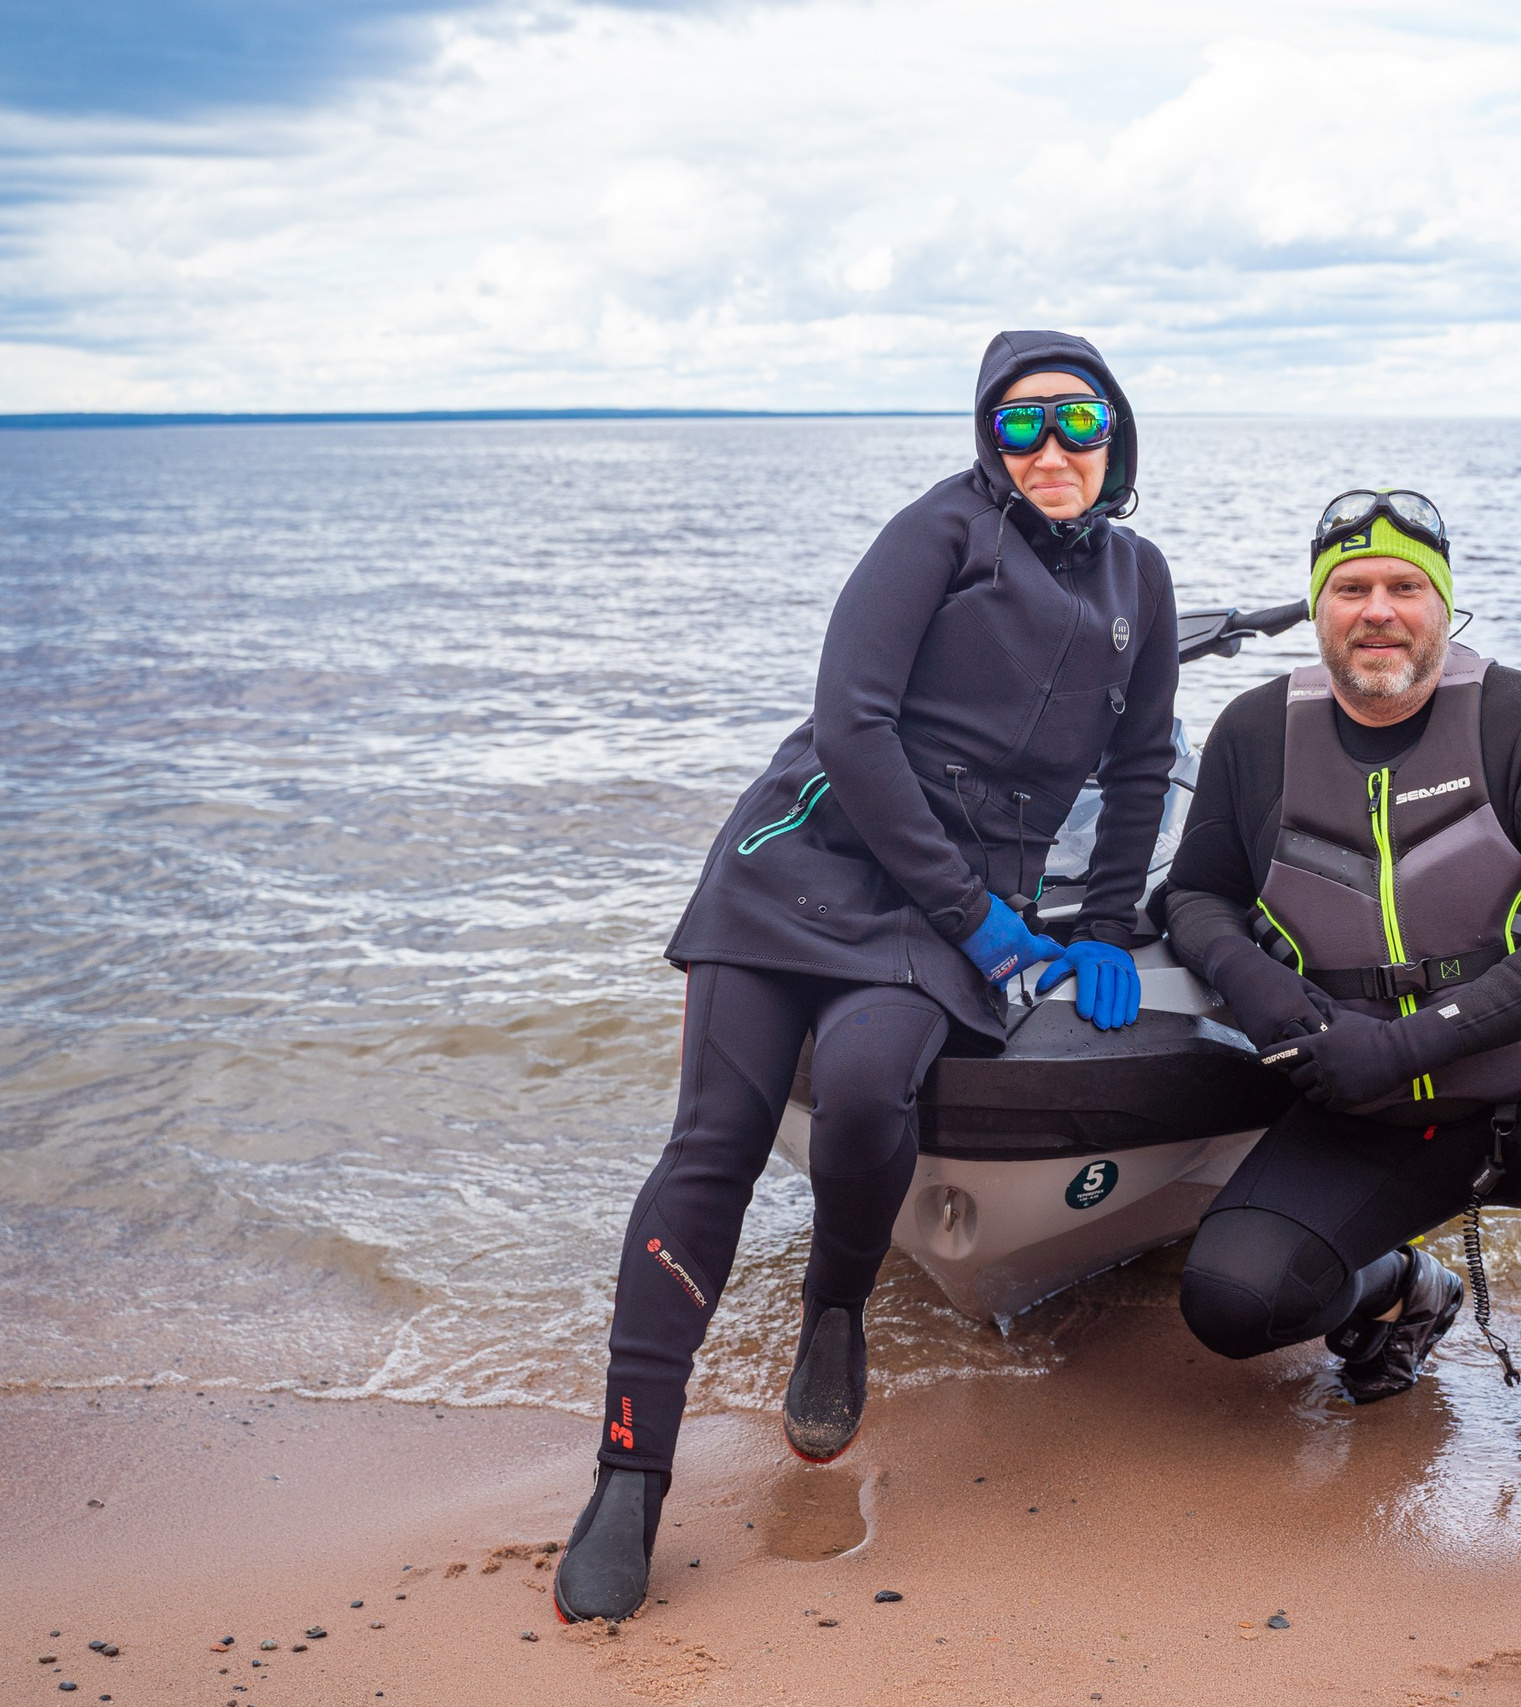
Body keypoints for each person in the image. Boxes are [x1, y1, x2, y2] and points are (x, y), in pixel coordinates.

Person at [553, 333, 1179, 1623]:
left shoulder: (1140, 578)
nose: (1050, 451)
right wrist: (987, 927)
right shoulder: (935, 533)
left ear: (1117, 437)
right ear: (983, 442)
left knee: (861, 1086)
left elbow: (1139, 765)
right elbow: (852, 721)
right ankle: (629, 1471)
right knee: (712, 1144)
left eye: (1077, 424)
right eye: (1019, 429)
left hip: (933, 924)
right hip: (802, 865)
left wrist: (1107, 927)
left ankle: (832, 1299)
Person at [1154, 488, 1521, 1455]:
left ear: (1445, 606)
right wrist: (1283, 1009)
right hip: (1356, 1105)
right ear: (1320, 609)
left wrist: (1410, 1043)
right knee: (1231, 1301)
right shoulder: (1253, 732)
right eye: (1352, 587)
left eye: (1405, 586)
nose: (1378, 609)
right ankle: (1401, 1292)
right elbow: (1195, 898)